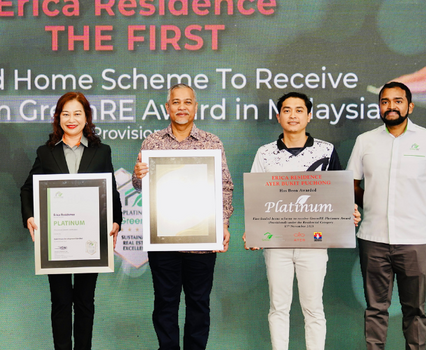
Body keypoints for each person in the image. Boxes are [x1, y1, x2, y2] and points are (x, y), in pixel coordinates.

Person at [243, 92, 360, 350]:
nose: (293, 115)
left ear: (309, 116)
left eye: (299, 110)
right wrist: (252, 230)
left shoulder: (326, 150)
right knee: (278, 307)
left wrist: (348, 213)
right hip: (276, 244)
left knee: (314, 308)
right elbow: (256, 197)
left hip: (314, 243)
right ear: (279, 117)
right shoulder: (265, 153)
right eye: (287, 110)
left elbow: (339, 195)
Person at [347, 81, 426, 350]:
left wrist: (421, 211)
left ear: (410, 106)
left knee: (415, 310)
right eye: (385, 101)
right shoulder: (365, 141)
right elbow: (351, 185)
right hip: (373, 238)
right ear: (379, 107)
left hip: (415, 240)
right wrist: (372, 205)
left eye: (397, 101)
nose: (391, 106)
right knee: (375, 309)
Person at [132, 83, 233, 350]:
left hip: (202, 240)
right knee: (165, 303)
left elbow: (224, 186)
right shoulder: (152, 142)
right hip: (163, 240)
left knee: (199, 303)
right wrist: (138, 175)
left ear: (195, 107)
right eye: (176, 102)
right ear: (167, 107)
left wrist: (223, 223)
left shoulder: (212, 142)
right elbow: (140, 186)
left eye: (187, 102)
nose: (182, 107)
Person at [20, 91, 123, 350]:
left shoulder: (102, 151)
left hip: (91, 239)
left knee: (85, 302)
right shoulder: (46, 152)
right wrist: (29, 216)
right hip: (57, 240)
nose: (71, 119)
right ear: (58, 118)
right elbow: (27, 189)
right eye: (65, 114)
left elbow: (111, 190)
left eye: (77, 113)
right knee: (61, 302)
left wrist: (116, 221)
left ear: (86, 118)